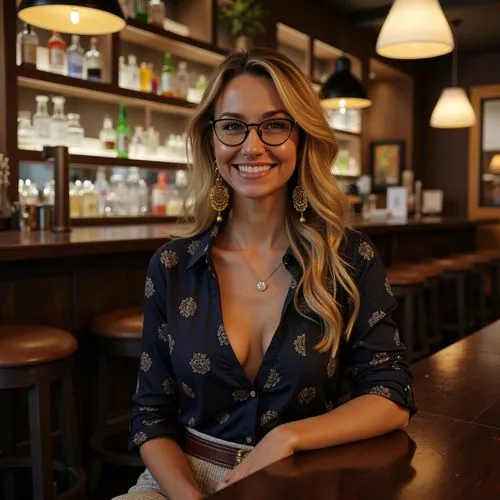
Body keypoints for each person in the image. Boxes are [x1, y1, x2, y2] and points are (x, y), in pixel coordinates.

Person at [114, 48, 415, 500]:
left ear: (302, 138)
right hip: (181, 482)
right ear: (212, 141)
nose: (252, 146)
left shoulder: (348, 257)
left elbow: (391, 393)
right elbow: (151, 415)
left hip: (303, 475)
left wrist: (286, 437)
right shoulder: (172, 265)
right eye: (233, 126)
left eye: (275, 125)